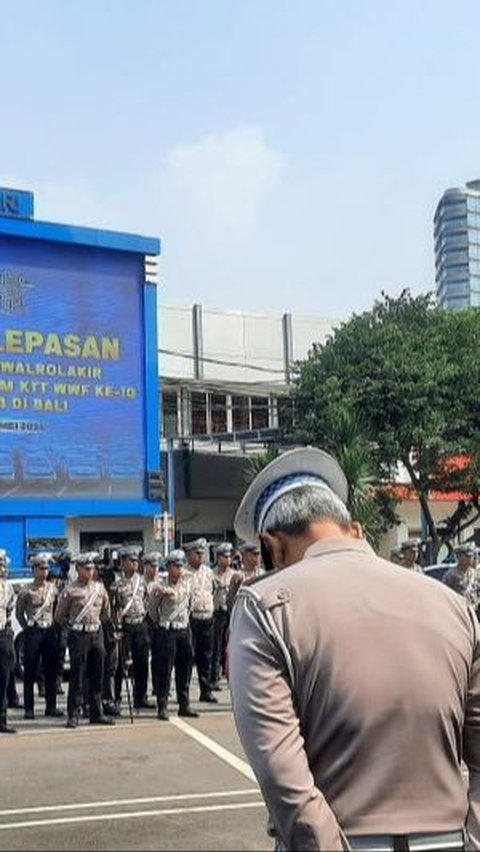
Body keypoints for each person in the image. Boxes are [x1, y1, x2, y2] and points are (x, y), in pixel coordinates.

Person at [229, 446, 476, 852]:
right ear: (351, 526)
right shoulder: (452, 604)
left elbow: (282, 773)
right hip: (449, 840)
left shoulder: (265, 606)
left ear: (272, 545)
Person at [55, 552, 114, 728]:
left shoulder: (99, 588)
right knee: (77, 677)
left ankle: (96, 712)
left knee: (97, 676)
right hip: (78, 635)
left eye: (92, 568)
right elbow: (59, 616)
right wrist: (74, 627)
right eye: (86, 568)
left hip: (96, 633)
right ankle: (73, 714)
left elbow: (106, 612)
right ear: (78, 569)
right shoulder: (70, 590)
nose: (90, 571)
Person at [149, 549, 198, 721]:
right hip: (167, 631)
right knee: (165, 669)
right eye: (176, 566)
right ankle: (162, 706)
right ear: (169, 567)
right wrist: (161, 623)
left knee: (184, 669)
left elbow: (190, 604)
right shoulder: (160, 586)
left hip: (184, 629)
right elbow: (153, 610)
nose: (180, 569)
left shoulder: (187, 584)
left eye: (181, 566)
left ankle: (184, 704)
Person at [16, 552, 64, 719]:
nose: (45, 571)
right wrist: (28, 627)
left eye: (46, 568)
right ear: (34, 570)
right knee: (30, 669)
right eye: (41, 568)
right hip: (33, 630)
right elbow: (19, 613)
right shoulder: (26, 591)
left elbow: (58, 610)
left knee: (50, 669)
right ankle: (29, 708)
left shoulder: (53, 589)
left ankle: (51, 706)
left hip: (49, 630)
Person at [112, 546, 154, 711]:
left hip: (140, 624)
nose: (135, 563)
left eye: (136, 560)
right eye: (131, 560)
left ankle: (141, 696)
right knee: (120, 664)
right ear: (122, 562)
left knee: (142, 662)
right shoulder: (117, 584)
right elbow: (114, 608)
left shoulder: (142, 581)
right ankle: (116, 697)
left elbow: (148, 601)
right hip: (126, 625)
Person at [184, 538, 217, 703]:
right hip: (192, 619)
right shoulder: (184, 573)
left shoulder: (208, 572)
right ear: (189, 555)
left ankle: (206, 690)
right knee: (188, 657)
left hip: (207, 618)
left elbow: (214, 591)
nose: (200, 557)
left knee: (206, 656)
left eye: (202, 553)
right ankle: (185, 693)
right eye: (197, 553)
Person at [210, 542, 240, 690]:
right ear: (218, 558)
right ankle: (214, 677)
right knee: (216, 646)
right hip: (217, 613)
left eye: (229, 557)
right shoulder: (212, 574)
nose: (227, 560)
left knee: (230, 646)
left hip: (231, 612)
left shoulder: (234, 574)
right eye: (224, 557)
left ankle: (230, 675)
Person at [0, 549, 16, 734]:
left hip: (3, 634)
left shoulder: (8, 588)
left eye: (3, 564)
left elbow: (10, 610)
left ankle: (2, 720)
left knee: (3, 679)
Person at [227, 542, 264, 611]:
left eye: (258, 554)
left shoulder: (262, 574)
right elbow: (230, 601)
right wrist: (235, 586)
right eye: (254, 554)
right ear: (245, 556)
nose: (258, 557)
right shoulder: (238, 575)